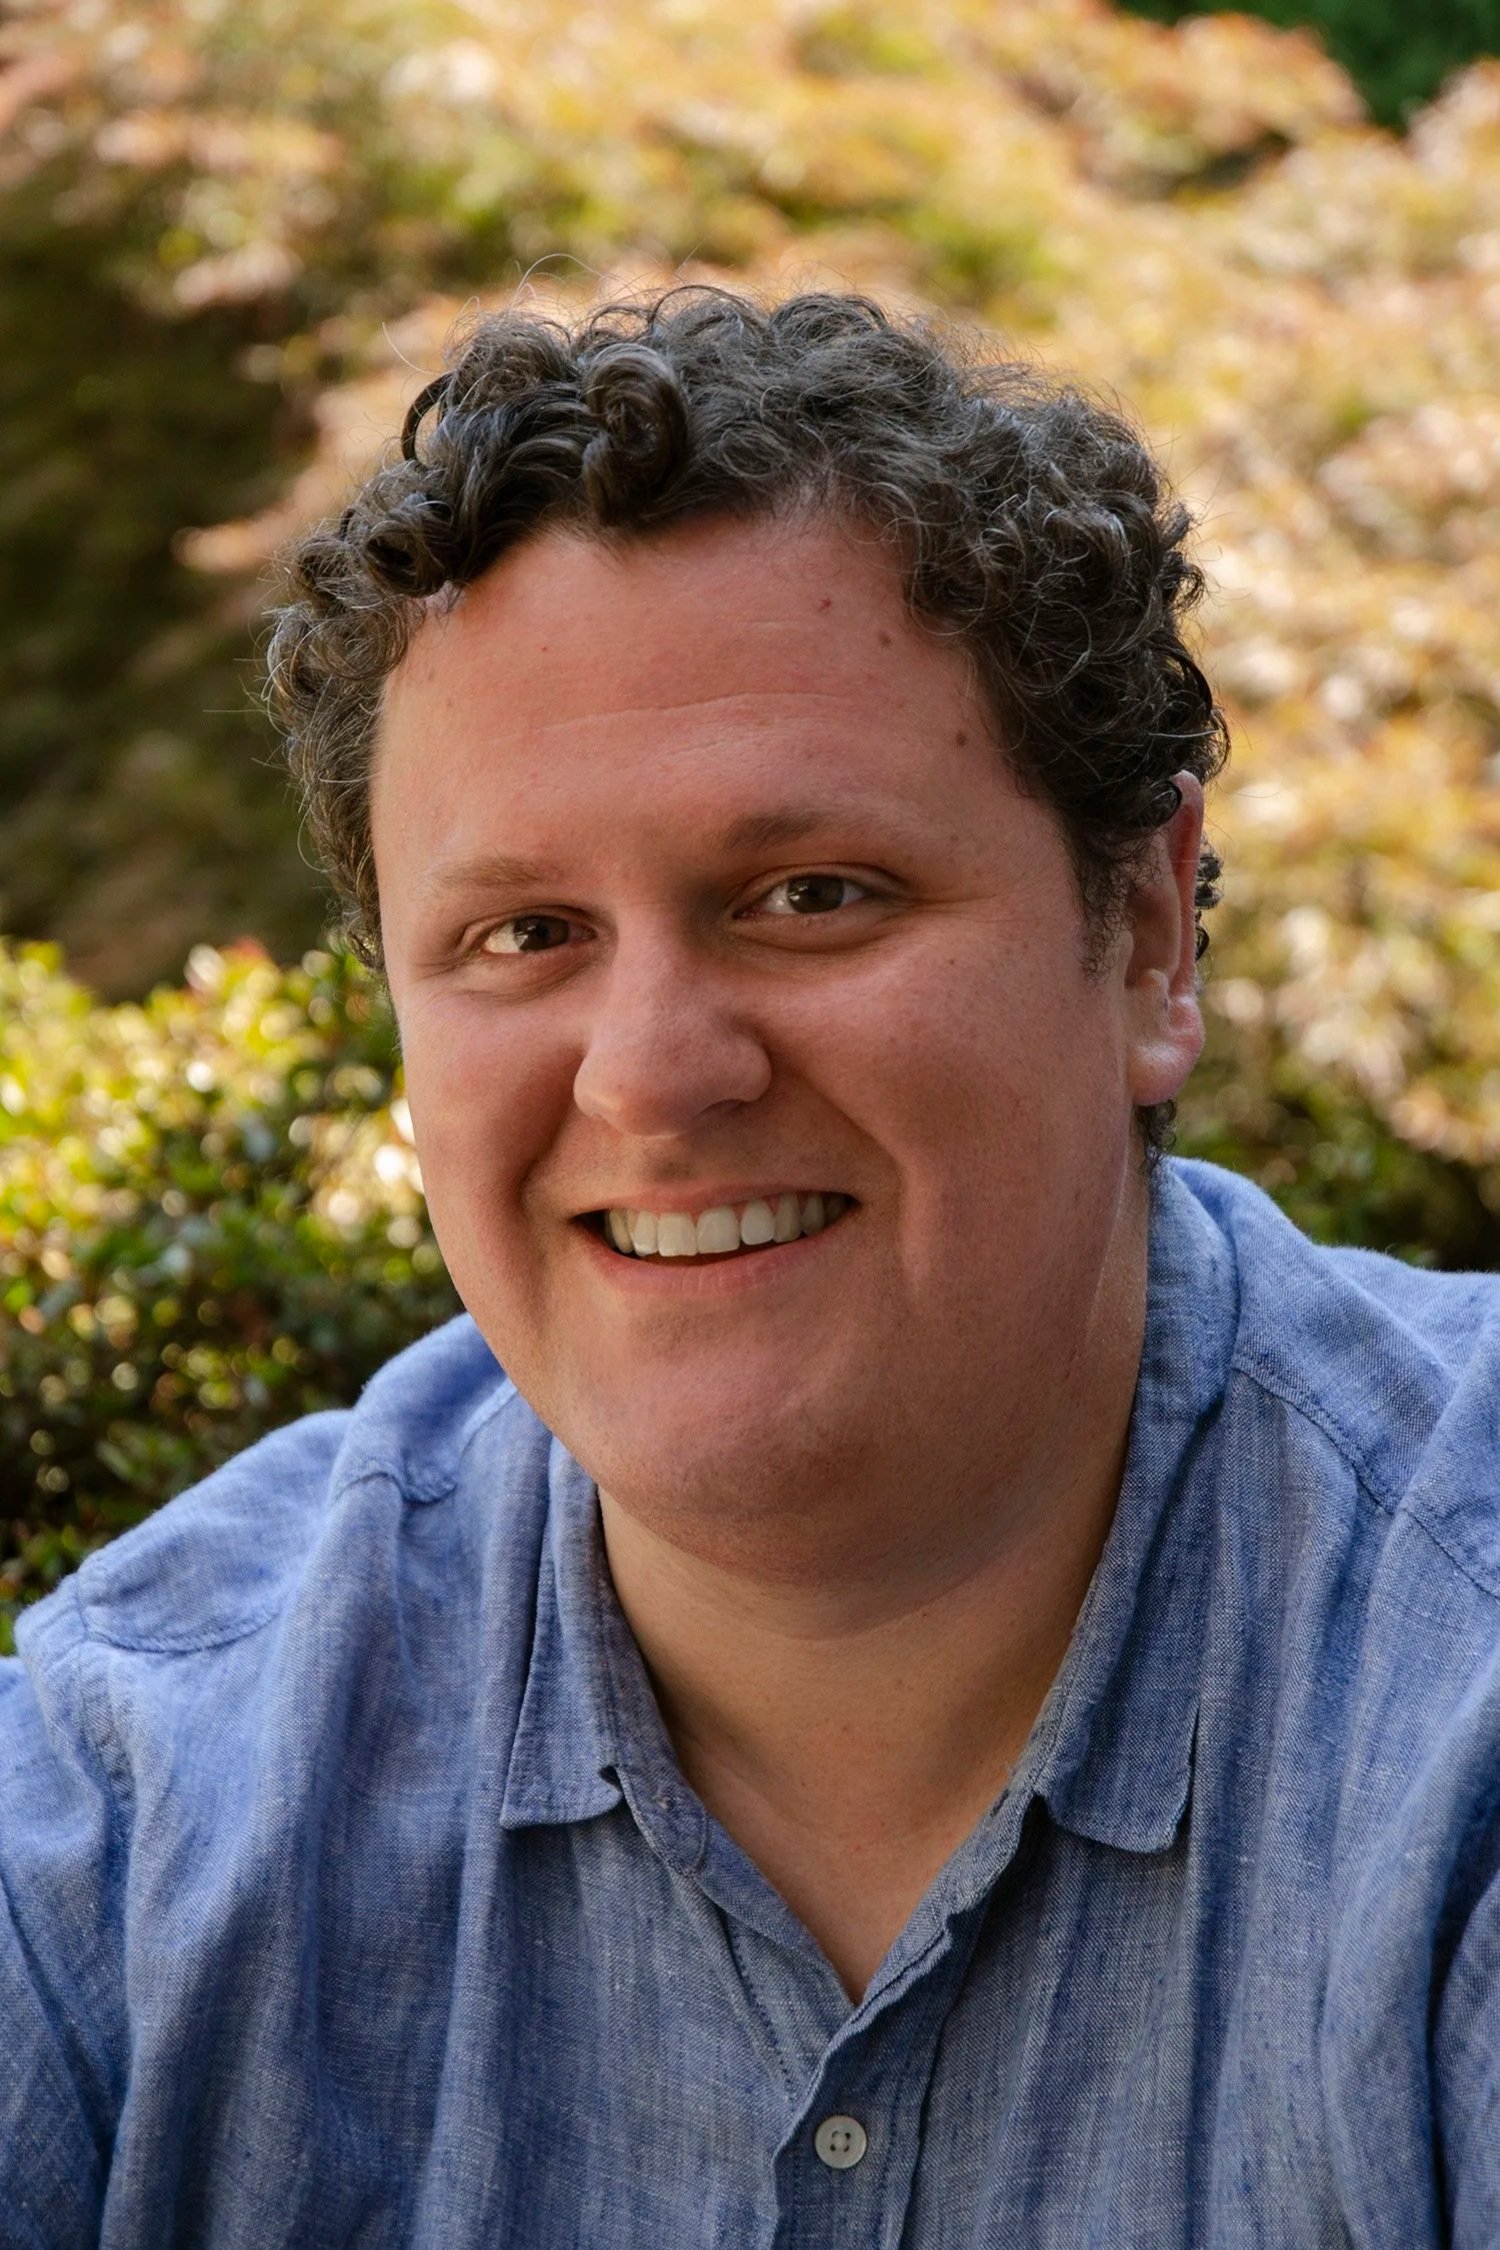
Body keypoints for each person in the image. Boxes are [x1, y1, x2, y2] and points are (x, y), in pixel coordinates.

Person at [2, 287, 1497, 2250]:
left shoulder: (1458, 1710)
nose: (650, 1074)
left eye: (809, 895)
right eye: (525, 934)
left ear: (1144, 937)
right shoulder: (132, 1819)